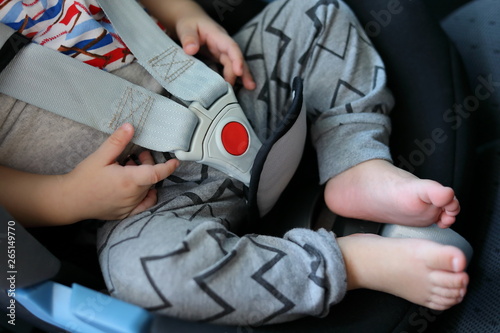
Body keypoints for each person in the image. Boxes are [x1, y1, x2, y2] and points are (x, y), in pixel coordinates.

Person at [0, 0, 468, 326]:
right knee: (148, 274)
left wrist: (186, 14)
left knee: (316, 15)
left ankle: (355, 162)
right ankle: (351, 264)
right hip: (143, 196)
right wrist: (68, 199)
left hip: (226, 93)